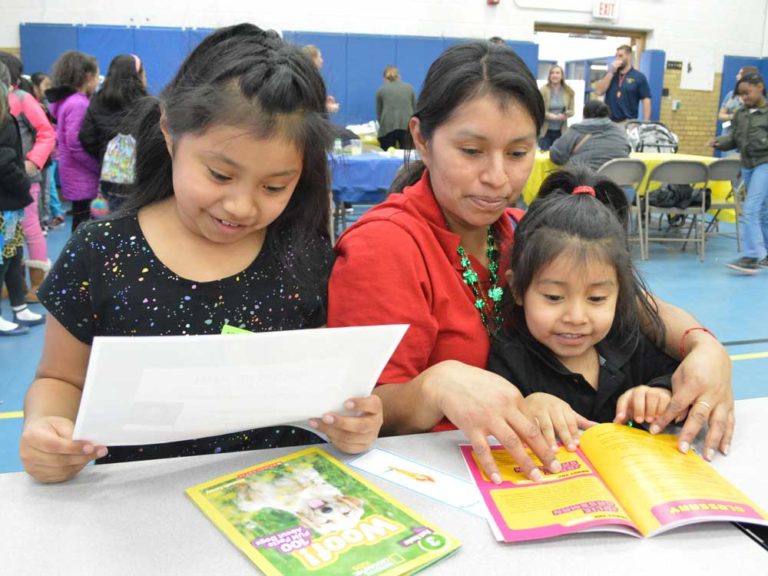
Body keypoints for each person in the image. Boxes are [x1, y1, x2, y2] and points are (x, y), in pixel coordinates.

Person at [328, 41, 733, 485]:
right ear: (422, 138)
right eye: (471, 151)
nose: (498, 177)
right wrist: (434, 386)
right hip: (436, 480)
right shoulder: (385, 246)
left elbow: (630, 303)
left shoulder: (521, 230)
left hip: (540, 473)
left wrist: (704, 347)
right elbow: (359, 410)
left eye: (518, 153)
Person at [20, 23, 382, 484]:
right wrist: (45, 428)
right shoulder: (100, 251)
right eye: (219, 174)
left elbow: (324, 389)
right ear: (170, 130)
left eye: (274, 186)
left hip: (278, 507)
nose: (241, 206)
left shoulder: (303, 256)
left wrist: (354, 418)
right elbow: (59, 380)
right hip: (140, 507)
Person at [488, 169, 682, 452]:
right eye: (554, 297)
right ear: (517, 289)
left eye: (597, 298)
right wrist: (525, 405)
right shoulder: (508, 359)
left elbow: (678, 377)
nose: (576, 317)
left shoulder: (629, 341)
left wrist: (660, 393)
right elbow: (493, 413)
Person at [0, 52, 55, 305]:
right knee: (9, 236)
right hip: (6, 181)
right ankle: (14, 284)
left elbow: (46, 132)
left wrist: (32, 162)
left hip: (23, 179)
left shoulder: (23, 99)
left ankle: (38, 283)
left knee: (30, 228)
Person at [710, 72, 768, 274]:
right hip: (748, 165)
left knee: (750, 209)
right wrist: (720, 141)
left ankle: (752, 256)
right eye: (741, 95)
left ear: (760, 87)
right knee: (763, 212)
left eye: (748, 92)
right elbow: (734, 138)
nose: (744, 97)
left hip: (765, 164)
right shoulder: (741, 114)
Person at [79, 54, 148, 211]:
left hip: (110, 173)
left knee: (111, 219)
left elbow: (86, 136)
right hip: (140, 176)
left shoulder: (98, 100)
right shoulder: (146, 103)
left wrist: (103, 154)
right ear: (137, 76)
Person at [46, 50, 101, 232]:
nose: (97, 81)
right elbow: (76, 144)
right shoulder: (78, 103)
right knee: (84, 225)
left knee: (80, 222)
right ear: (87, 76)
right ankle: (80, 260)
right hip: (83, 174)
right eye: (96, 76)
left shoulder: (67, 101)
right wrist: (98, 167)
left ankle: (78, 258)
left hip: (73, 172)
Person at [0, 61, 35, 335]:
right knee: (2, 258)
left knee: (13, 256)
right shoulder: (4, 119)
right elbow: (5, 163)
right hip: (6, 203)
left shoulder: (8, 116)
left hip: (10, 205)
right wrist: (24, 183)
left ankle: (19, 305)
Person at [549, 100, 631, 170]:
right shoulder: (619, 131)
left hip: (585, 183)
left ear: (584, 115)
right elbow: (627, 150)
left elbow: (556, 155)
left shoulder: (576, 130)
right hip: (619, 183)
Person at [30, 71, 65, 230]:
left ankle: (53, 215)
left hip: (51, 155)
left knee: (47, 187)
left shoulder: (48, 106)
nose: (48, 89)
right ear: (35, 88)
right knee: (46, 188)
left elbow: (54, 130)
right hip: (44, 157)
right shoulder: (35, 106)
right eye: (45, 85)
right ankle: (51, 215)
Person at [594, 44, 651, 123]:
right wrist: (611, 72)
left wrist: (646, 122)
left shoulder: (639, 77)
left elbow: (646, 100)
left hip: (628, 122)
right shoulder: (609, 74)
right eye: (616, 56)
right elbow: (599, 92)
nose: (617, 59)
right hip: (608, 121)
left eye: (620, 56)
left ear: (629, 56)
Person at [376, 66, 416, 150]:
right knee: (407, 157)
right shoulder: (409, 88)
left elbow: (379, 113)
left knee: (387, 157)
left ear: (384, 78)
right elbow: (415, 109)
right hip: (407, 126)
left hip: (387, 127)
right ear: (399, 76)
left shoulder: (381, 90)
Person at [538, 64, 574, 151]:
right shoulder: (543, 90)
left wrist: (565, 114)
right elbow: (539, 109)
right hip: (545, 132)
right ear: (549, 76)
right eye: (552, 73)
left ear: (562, 76)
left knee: (558, 158)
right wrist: (550, 116)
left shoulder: (568, 91)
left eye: (557, 73)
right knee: (545, 157)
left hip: (561, 132)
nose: (555, 75)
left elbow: (572, 111)